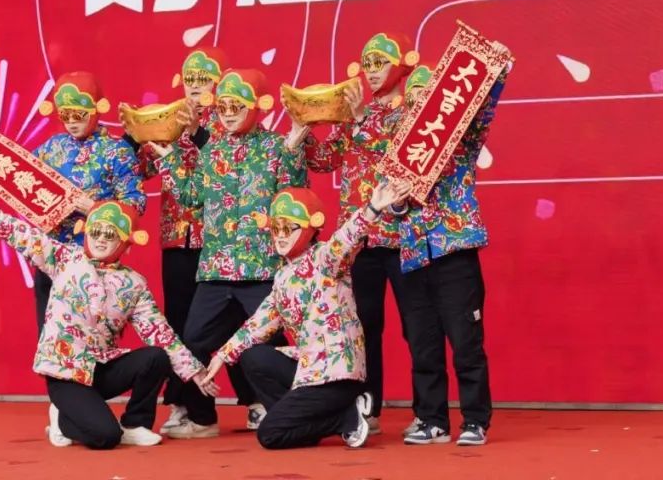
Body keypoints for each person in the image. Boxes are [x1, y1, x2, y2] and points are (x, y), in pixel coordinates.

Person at [0, 189, 218, 449]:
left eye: (110, 235)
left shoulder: (133, 283)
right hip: (66, 372)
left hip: (101, 368)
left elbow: (160, 333)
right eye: (95, 231)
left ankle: (135, 424)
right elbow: (26, 236)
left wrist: (195, 370)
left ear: (125, 243)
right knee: (105, 437)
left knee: (155, 357)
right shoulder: (65, 259)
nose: (100, 240)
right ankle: (62, 416)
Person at [150, 69, 308, 439]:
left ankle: (289, 413)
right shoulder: (213, 149)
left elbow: (294, 193)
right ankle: (203, 418)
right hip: (216, 270)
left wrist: (294, 148)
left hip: (261, 267)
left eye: (237, 106)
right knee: (194, 342)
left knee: (271, 346)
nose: (228, 113)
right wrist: (169, 157)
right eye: (222, 106)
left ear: (258, 106)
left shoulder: (275, 147)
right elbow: (191, 196)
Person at [201, 180, 413, 449]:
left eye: (288, 228)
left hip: (336, 376)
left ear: (310, 228)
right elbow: (258, 323)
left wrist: (372, 208)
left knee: (269, 435)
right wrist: (222, 355)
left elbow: (345, 239)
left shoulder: (325, 259)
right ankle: (313, 425)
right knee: (254, 358)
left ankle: (344, 417)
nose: (280, 235)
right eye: (275, 228)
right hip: (309, 371)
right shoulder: (282, 277)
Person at [288, 31, 420, 434]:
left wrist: (362, 117)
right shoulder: (349, 117)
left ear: (401, 65)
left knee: (417, 326)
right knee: (363, 327)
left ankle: (427, 412)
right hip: (359, 239)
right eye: (368, 64)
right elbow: (325, 160)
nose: (372, 71)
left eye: (380, 62)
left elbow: (397, 156)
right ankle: (368, 408)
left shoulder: (410, 111)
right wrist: (304, 127)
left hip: (402, 234)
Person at [126, 48, 263, 432]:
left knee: (238, 324)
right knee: (182, 325)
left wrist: (196, 131)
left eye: (205, 79)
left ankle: (257, 400)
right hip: (178, 239)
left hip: (222, 239)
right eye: (190, 78)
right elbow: (143, 169)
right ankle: (191, 407)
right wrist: (135, 135)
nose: (196, 86)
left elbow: (231, 163)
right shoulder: (168, 118)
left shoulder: (228, 119)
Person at [397, 63, 510, 447]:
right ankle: (433, 421)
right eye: (413, 99)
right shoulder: (400, 150)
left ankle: (475, 420)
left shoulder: (464, 142)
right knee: (422, 345)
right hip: (414, 256)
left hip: (455, 253)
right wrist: (396, 202)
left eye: (426, 97)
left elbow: (484, 109)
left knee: (465, 343)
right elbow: (390, 205)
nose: (418, 104)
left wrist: (495, 70)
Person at [32, 72, 145, 334]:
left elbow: (135, 204)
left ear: (97, 108)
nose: (72, 122)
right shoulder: (50, 148)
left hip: (94, 262)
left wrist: (93, 208)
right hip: (51, 255)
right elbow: (21, 180)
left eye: (79, 114)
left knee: (88, 338)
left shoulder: (116, 151)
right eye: (65, 115)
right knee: (48, 337)